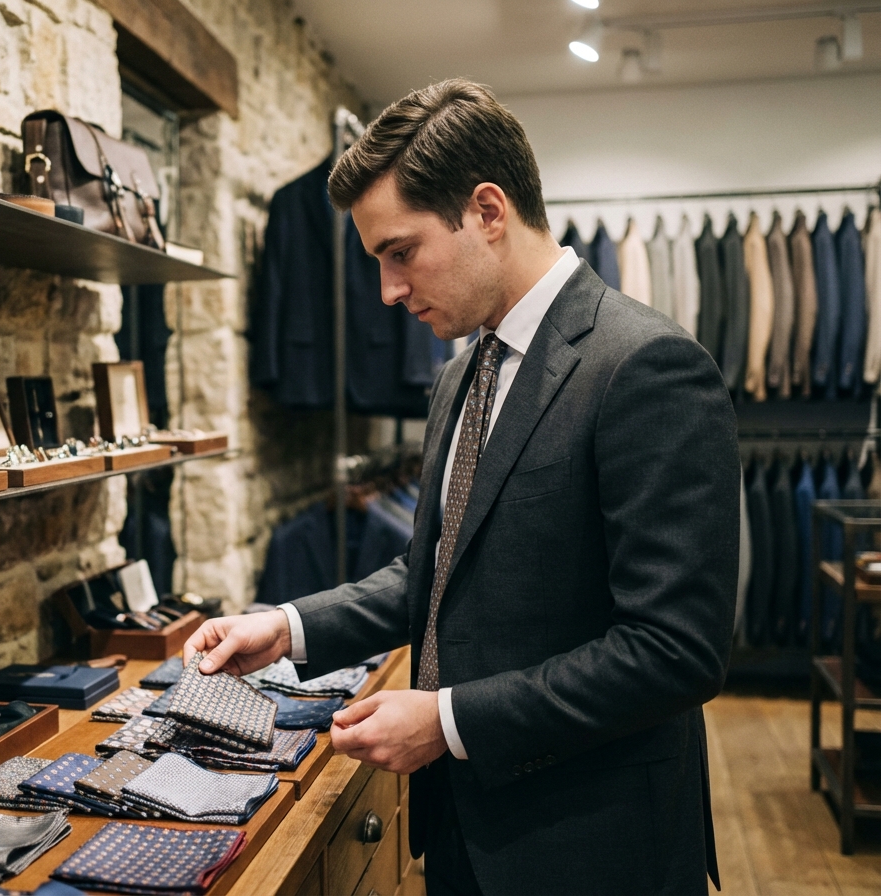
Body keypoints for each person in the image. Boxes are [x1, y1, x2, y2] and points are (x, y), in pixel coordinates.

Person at [185, 79, 738, 896]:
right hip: (464, 836)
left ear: (487, 210)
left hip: (595, 844)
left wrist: (447, 722)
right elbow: (435, 570)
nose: (388, 292)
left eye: (399, 253)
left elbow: (675, 650)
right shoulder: (458, 376)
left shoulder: (645, 367)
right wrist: (289, 627)